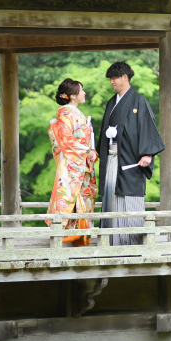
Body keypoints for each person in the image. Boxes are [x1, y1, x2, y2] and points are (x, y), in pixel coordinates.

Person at [98, 61, 165, 245]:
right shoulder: (112, 103)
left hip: (130, 161)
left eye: (114, 78)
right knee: (111, 193)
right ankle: (110, 241)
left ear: (125, 78)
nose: (112, 82)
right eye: (110, 79)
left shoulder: (138, 101)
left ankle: (131, 241)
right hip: (112, 158)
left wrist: (148, 154)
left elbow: (147, 127)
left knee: (129, 197)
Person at [46, 78, 98, 246]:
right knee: (70, 198)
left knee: (81, 199)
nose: (84, 93)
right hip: (72, 167)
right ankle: (69, 238)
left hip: (80, 164)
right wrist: (87, 151)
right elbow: (66, 142)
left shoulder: (74, 114)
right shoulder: (67, 115)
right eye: (81, 90)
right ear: (73, 95)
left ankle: (78, 237)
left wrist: (91, 151)